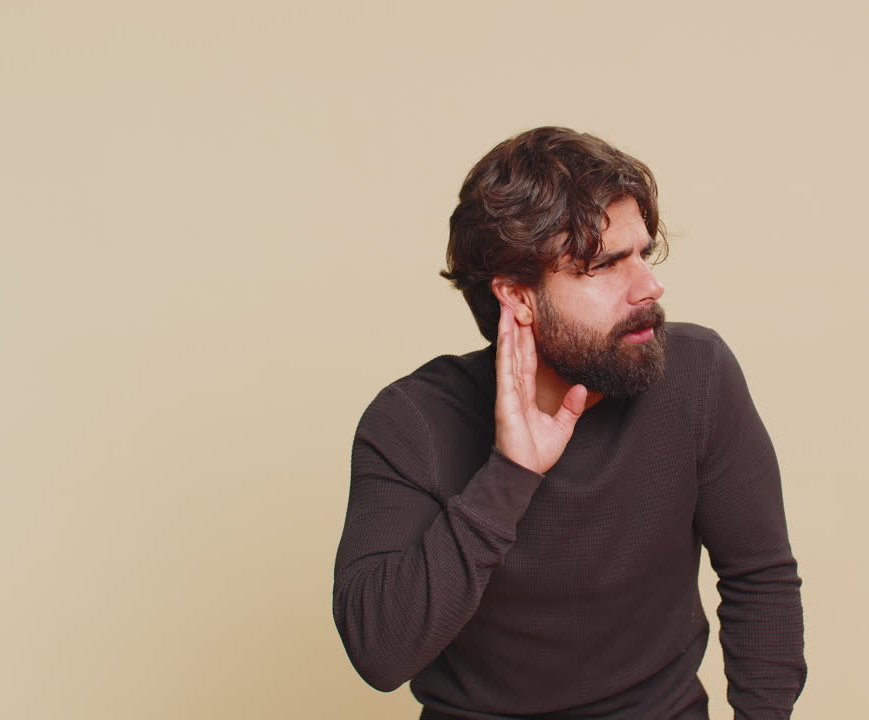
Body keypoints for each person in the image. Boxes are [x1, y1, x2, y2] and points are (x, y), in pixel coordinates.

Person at [333, 126, 806, 719]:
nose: (650, 287)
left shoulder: (697, 376)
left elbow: (759, 581)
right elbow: (379, 654)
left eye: (644, 254)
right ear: (520, 298)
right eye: (606, 265)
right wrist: (509, 476)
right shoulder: (412, 421)